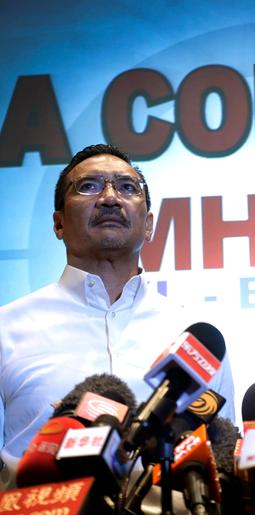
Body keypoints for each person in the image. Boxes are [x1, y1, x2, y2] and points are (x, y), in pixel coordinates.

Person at [0, 144, 235, 485]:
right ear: (58, 223)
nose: (110, 198)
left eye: (127, 188)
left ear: (149, 224)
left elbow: (220, 464)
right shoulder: (6, 329)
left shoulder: (194, 338)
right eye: (89, 186)